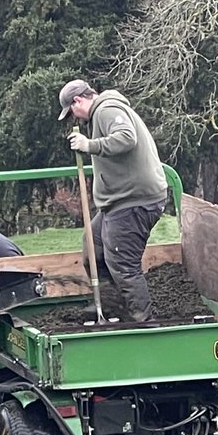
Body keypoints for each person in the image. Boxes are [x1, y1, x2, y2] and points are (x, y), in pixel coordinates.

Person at [58, 78, 168, 321]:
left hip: (135, 200)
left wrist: (90, 145)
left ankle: (144, 322)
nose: (74, 119)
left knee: (122, 263)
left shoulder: (107, 110)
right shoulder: (101, 113)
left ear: (78, 100)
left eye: (72, 112)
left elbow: (127, 138)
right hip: (117, 202)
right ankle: (112, 307)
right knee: (93, 248)